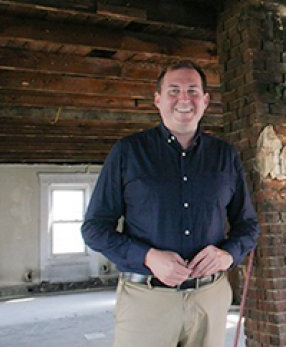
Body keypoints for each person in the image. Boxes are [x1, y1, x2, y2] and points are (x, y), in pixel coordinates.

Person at [82, 60, 259, 347]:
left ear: (204, 101)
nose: (183, 99)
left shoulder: (225, 156)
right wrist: (147, 256)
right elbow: (94, 229)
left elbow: (248, 225)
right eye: (174, 90)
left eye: (192, 90)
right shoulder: (128, 152)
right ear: (158, 100)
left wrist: (228, 255)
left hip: (210, 300)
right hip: (146, 301)